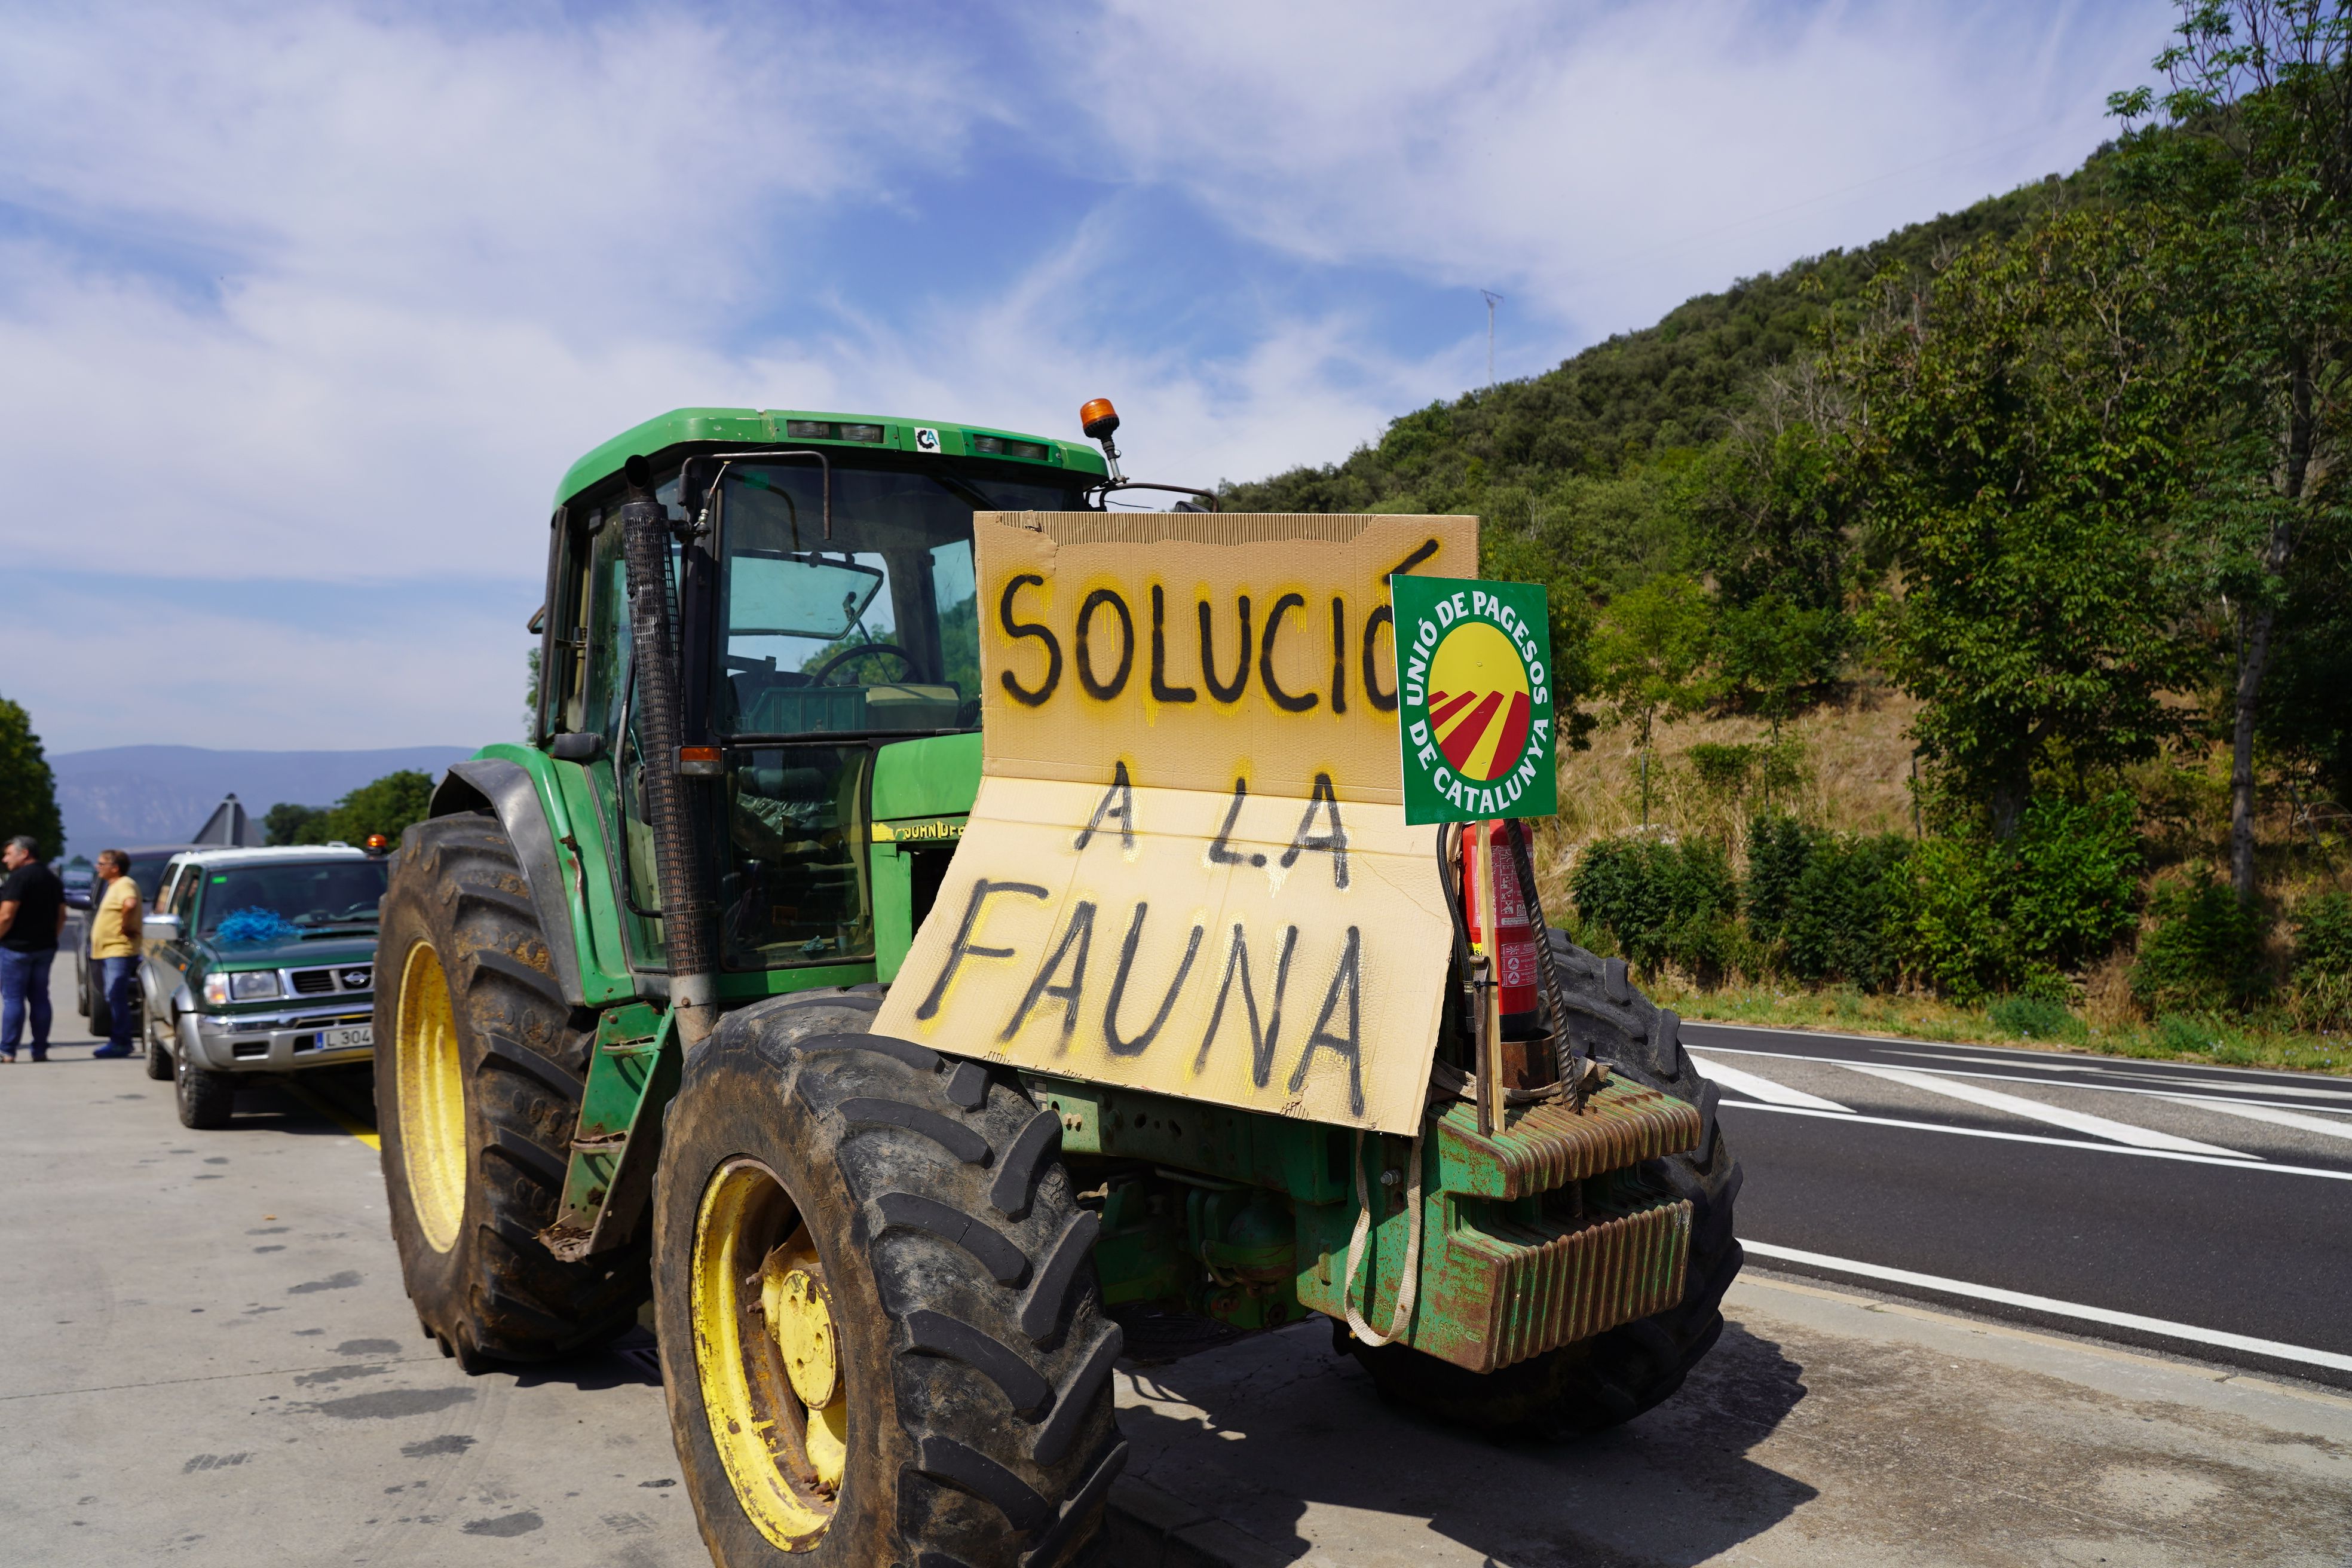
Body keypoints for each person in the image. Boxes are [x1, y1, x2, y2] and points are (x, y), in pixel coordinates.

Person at [0, 835, 65, 1063]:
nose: (5, 859)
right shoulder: (51, 878)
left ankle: (7, 1050)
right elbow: (62, 916)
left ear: (24, 853)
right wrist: (49, 938)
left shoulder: (18, 878)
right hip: (44, 948)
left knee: (13, 999)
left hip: (16, 949)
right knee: (40, 998)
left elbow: (6, 915)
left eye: (9, 853)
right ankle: (40, 1050)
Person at [88, 849, 143, 1059]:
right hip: (108, 951)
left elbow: (130, 904)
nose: (98, 868)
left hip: (118, 950)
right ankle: (120, 1039)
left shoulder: (124, 884)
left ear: (115, 868)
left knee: (115, 994)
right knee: (113, 995)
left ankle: (121, 1041)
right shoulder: (114, 886)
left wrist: (126, 925)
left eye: (102, 864)